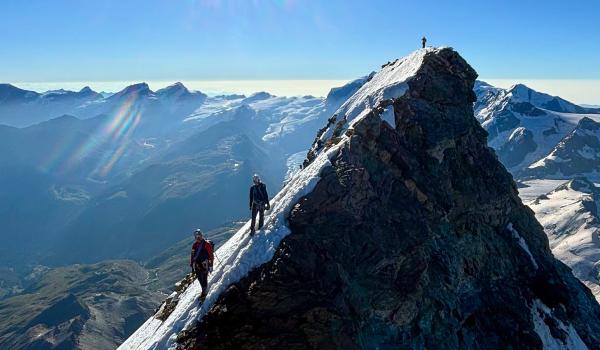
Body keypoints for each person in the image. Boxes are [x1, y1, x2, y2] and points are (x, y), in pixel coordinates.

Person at [190, 229, 214, 301]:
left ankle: (205, 290)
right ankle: (203, 289)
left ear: (201, 235)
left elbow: (210, 255)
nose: (198, 238)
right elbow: (192, 255)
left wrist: (211, 265)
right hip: (197, 265)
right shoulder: (194, 245)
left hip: (204, 264)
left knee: (204, 277)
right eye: (196, 237)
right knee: (199, 278)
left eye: (199, 236)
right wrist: (192, 263)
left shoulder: (206, 244)